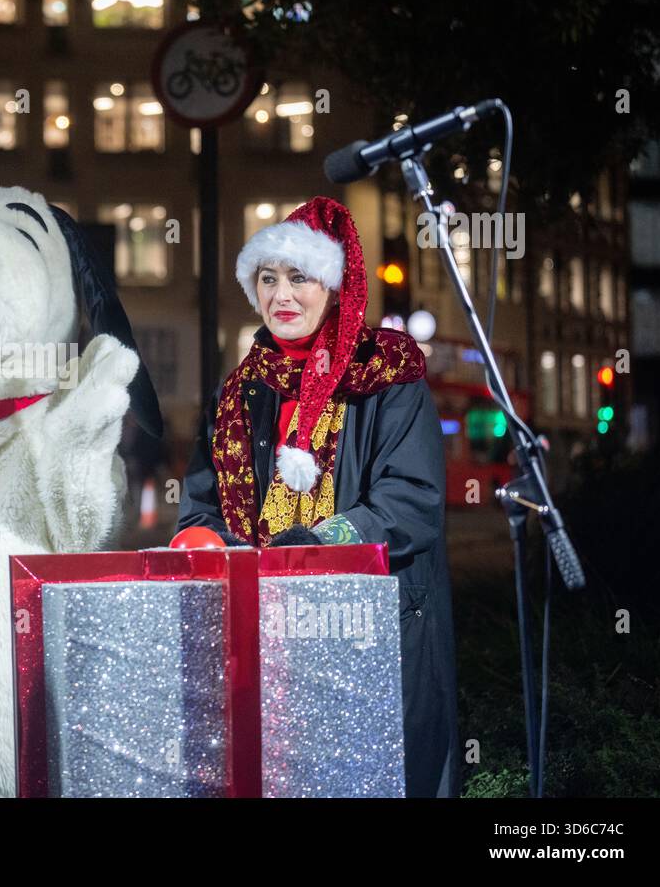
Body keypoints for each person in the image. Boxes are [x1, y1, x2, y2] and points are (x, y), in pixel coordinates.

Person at [178, 197, 460, 798]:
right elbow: (200, 508)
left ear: (332, 286)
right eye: (268, 278)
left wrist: (322, 544)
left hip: (372, 627)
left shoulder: (387, 375)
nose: (282, 295)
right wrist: (210, 547)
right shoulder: (238, 393)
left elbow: (412, 501)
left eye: (299, 278)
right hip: (266, 634)